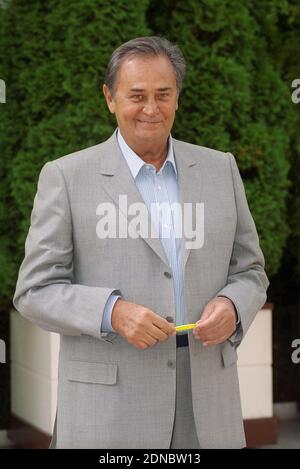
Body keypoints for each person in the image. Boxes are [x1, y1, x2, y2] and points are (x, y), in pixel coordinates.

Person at [13, 36, 269, 449]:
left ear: (178, 98)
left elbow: (250, 271)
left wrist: (234, 305)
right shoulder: (65, 177)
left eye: (163, 95)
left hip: (207, 406)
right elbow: (34, 292)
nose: (151, 109)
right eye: (137, 96)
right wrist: (112, 312)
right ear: (109, 98)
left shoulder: (221, 169)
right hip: (109, 412)